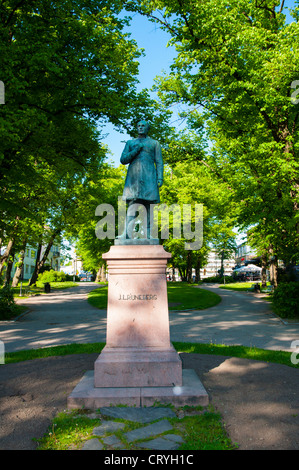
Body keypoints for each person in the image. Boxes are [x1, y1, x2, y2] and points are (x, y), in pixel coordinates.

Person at [118, 120, 163, 239]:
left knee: (149, 205)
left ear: (147, 128)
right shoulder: (130, 143)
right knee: (133, 204)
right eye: (138, 126)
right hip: (134, 178)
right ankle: (126, 233)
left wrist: (160, 177)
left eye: (143, 126)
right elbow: (123, 160)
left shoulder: (154, 143)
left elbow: (159, 161)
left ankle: (149, 233)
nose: (141, 128)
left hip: (149, 177)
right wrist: (135, 150)